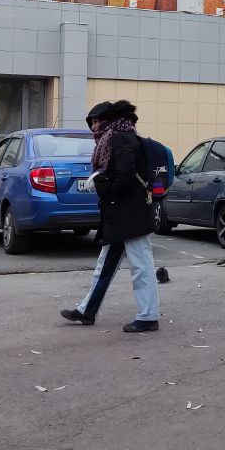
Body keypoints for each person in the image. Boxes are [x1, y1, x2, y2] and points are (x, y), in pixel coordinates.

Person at [61, 100, 162, 333]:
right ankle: (87, 310)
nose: (94, 126)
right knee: (104, 266)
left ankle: (148, 316)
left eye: (96, 121)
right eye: (92, 122)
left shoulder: (120, 139)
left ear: (107, 120)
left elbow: (125, 176)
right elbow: (121, 173)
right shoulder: (117, 137)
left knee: (141, 266)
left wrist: (101, 184)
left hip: (131, 214)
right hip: (122, 214)